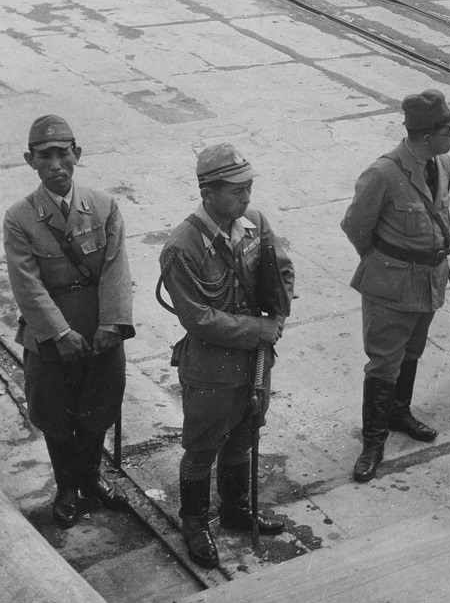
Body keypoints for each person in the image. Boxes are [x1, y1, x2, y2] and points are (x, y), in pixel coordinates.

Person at [159, 144, 294, 568]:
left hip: (255, 363)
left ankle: (235, 511)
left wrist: (279, 314)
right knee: (202, 447)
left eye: (249, 187)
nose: (247, 197)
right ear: (208, 191)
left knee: (245, 436)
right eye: (237, 190)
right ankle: (194, 523)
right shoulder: (182, 247)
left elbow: (283, 271)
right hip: (211, 370)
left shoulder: (252, 223)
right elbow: (198, 318)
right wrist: (259, 329)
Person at [3, 115, 134, 529]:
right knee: (55, 414)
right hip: (49, 337)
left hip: (99, 333)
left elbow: (116, 270)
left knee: (100, 406)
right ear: (30, 160)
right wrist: (59, 333)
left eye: (63, 153)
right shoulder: (19, 218)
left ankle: (91, 479)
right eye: (45, 156)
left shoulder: (104, 206)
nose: (56, 164)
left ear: (77, 154)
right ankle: (65, 488)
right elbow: (26, 284)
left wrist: (112, 326)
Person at [341, 90, 450, 482]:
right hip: (391, 285)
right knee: (384, 362)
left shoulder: (441, 163)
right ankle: (373, 442)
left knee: (412, 350)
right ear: (426, 136)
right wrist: (383, 263)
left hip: (429, 280)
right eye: (449, 130)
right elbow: (356, 226)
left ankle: (399, 412)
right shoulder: (384, 174)